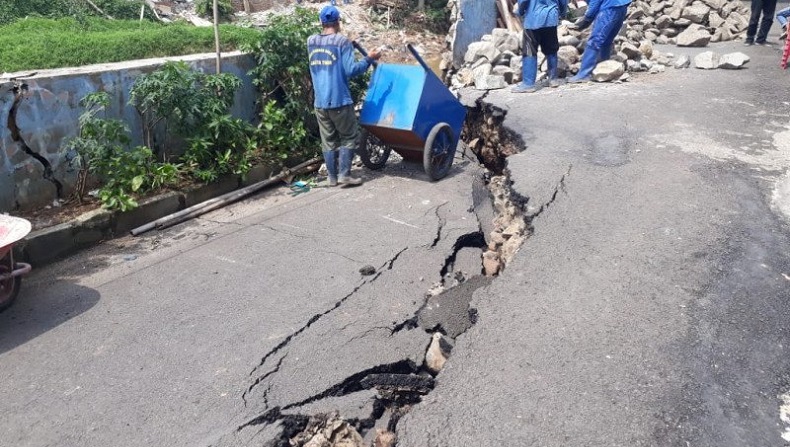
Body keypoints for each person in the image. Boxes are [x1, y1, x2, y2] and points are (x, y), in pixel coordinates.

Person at [307, 5, 380, 187]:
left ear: (321, 22)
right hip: (339, 100)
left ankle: (332, 178)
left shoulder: (311, 41)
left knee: (328, 140)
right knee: (349, 137)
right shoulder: (342, 42)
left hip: (320, 102)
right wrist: (369, 58)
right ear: (338, 21)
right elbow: (351, 70)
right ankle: (345, 175)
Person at [566, 0, 631, 83]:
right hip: (621, 6)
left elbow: (595, 2)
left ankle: (583, 74)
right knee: (607, 40)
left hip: (610, 8)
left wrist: (587, 20)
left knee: (594, 41)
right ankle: (604, 69)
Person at [512, 0, 568, 92]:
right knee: (551, 49)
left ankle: (528, 84)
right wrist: (562, 13)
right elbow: (563, 2)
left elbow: (523, 1)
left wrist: (520, 11)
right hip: (551, 18)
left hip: (533, 18)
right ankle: (553, 79)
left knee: (529, 50)